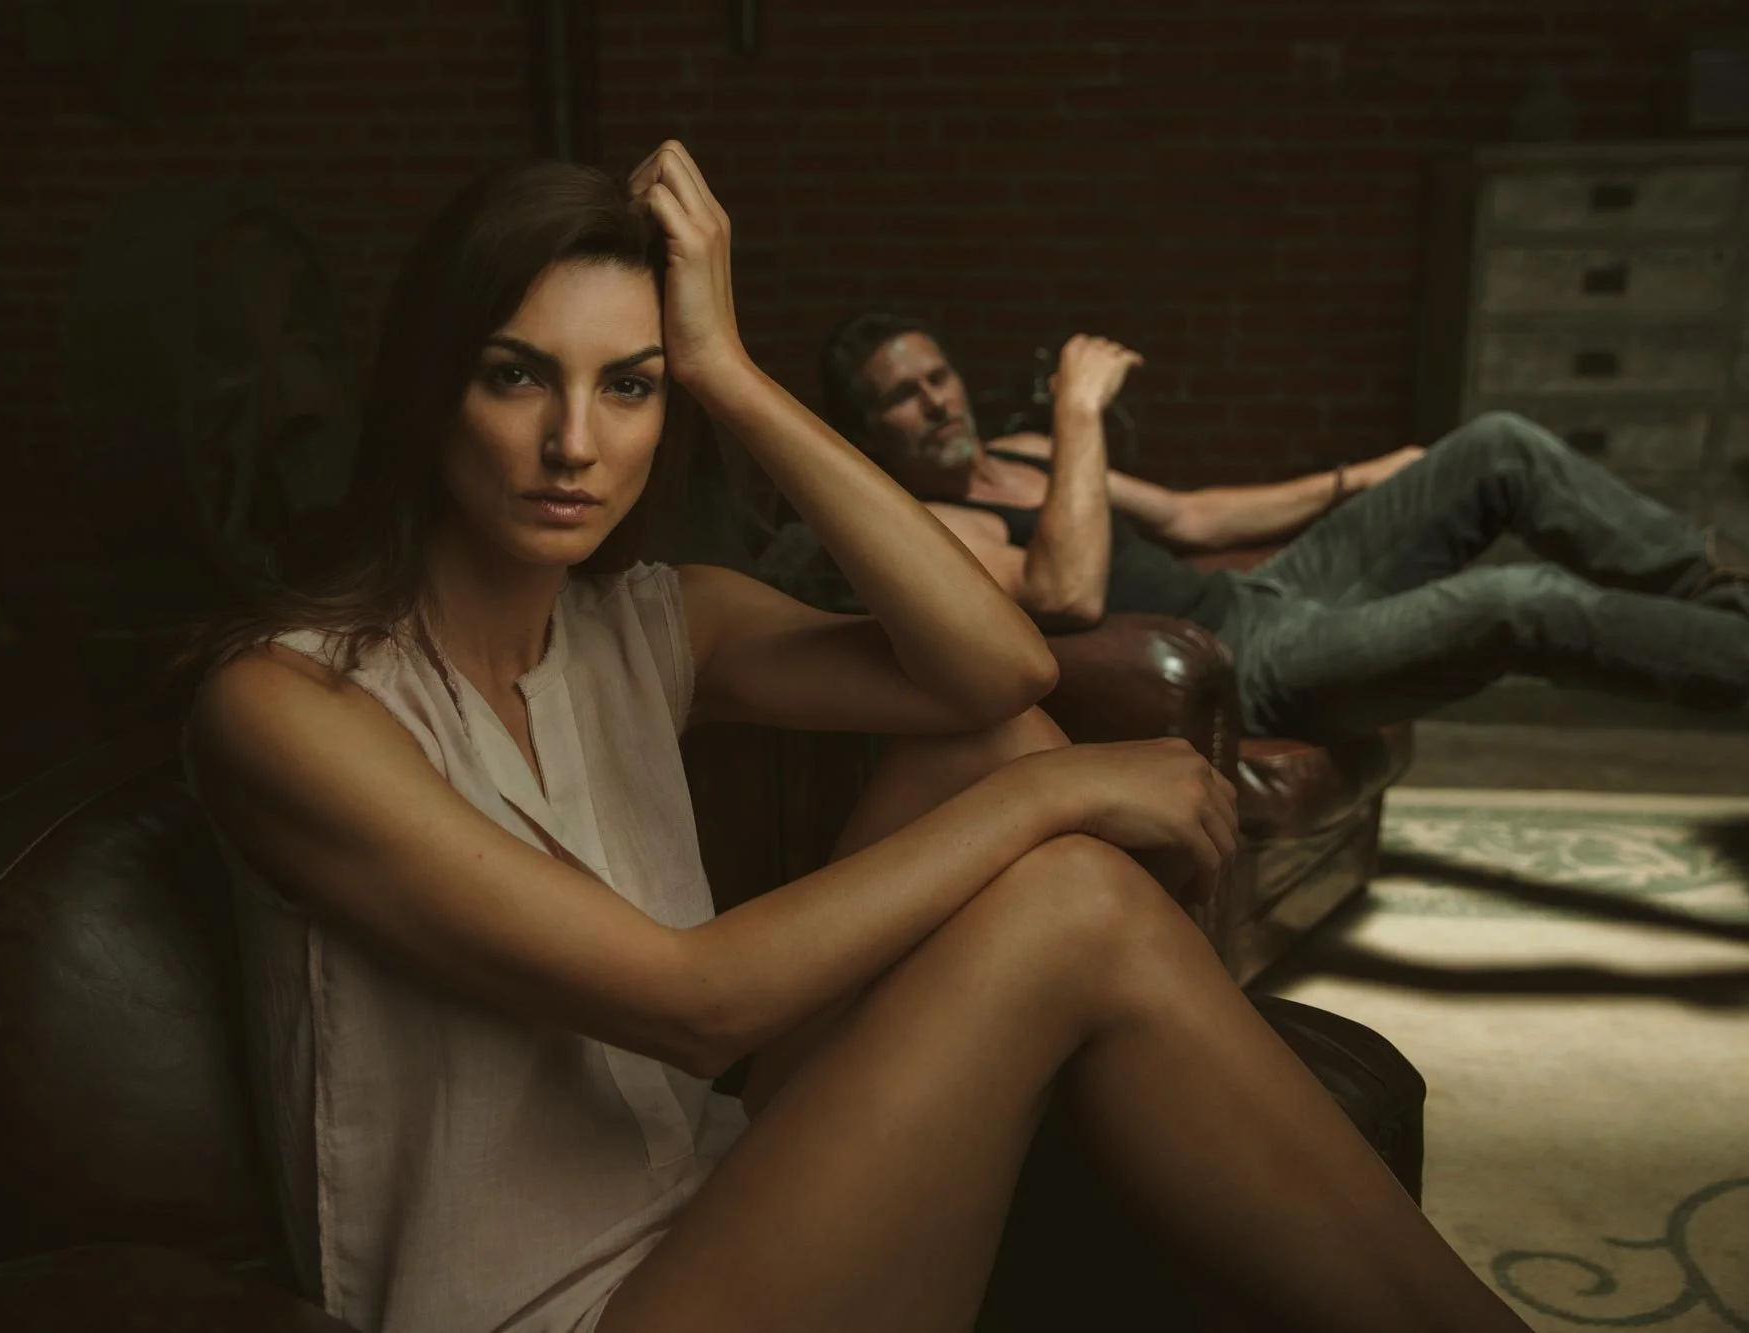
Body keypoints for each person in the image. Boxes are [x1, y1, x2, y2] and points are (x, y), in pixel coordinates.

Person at [181, 144, 1531, 1333]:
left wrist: (735, 374)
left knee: (989, 743)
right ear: (430, 391)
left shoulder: (653, 624)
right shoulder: (287, 707)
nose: (574, 441)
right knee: (1060, 874)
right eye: (516, 375)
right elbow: (686, 1000)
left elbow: (995, 666)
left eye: (634, 384)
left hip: (707, 1206)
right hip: (549, 1312)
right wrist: (1059, 798)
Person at [818, 312, 1749, 742]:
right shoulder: (934, 525)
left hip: (1269, 590)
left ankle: (1715, 597)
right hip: (1247, 664)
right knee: (1519, 598)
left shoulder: (1024, 450)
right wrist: (1082, 412)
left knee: (1498, 444)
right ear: (867, 431)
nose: (935, 401)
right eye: (901, 397)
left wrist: (1360, 477)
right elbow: (1067, 592)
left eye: (937, 375)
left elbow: (1194, 515)